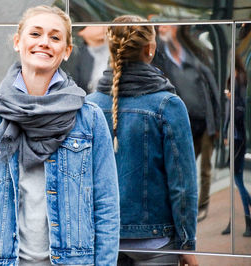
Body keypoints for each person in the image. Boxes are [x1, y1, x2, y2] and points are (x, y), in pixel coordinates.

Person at [0, 5, 119, 265]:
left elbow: (107, 207)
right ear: (18, 42)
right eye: (35, 34)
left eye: (55, 37)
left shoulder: (89, 119)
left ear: (66, 52)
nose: (44, 43)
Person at [87, 15, 198, 265]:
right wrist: (187, 243)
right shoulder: (168, 105)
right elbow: (183, 184)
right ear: (150, 48)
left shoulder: (89, 106)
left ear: (111, 48)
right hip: (157, 244)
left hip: (103, 241)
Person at [152, 25, 221, 222]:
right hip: (186, 126)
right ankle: (184, 206)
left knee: (205, 168)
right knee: (184, 167)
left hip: (206, 124)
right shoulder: (165, 61)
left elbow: (215, 95)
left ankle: (203, 205)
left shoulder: (197, 61)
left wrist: (217, 125)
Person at [221, 53, 251, 237]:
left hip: (237, 137)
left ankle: (246, 220)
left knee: (237, 179)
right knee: (236, 178)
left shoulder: (238, 77)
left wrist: (231, 98)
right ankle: (233, 222)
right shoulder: (236, 77)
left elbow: (239, 109)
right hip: (234, 136)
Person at [62, 26, 109, 94]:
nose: (103, 26)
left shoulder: (119, 48)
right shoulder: (75, 57)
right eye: (94, 24)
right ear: (81, 32)